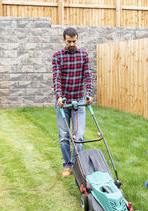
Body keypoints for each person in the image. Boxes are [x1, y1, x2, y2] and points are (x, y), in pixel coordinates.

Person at [52, 27, 93, 177]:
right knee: (64, 136)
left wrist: (89, 94)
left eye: (74, 41)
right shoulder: (57, 56)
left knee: (79, 136)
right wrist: (59, 97)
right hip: (64, 103)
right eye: (69, 41)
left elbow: (88, 76)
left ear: (77, 39)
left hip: (79, 101)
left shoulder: (83, 55)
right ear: (64, 40)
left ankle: (78, 165)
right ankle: (67, 165)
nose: (72, 44)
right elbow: (56, 78)